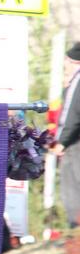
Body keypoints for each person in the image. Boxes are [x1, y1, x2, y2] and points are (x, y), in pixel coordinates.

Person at [55, 43, 80, 227]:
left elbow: (73, 113)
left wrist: (61, 141)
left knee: (72, 189)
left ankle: (76, 230)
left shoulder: (78, 81)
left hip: (75, 144)